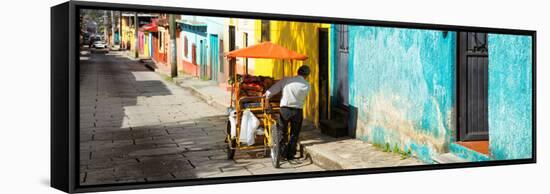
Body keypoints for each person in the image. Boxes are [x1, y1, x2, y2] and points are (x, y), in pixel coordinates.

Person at [264, 65, 311, 161]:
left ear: (297, 72)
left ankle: (281, 152)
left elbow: (271, 91)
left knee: (282, 131)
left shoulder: (286, 80)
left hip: (285, 110)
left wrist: (266, 96)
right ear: (307, 75)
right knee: (294, 133)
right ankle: (290, 154)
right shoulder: (307, 85)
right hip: (298, 111)